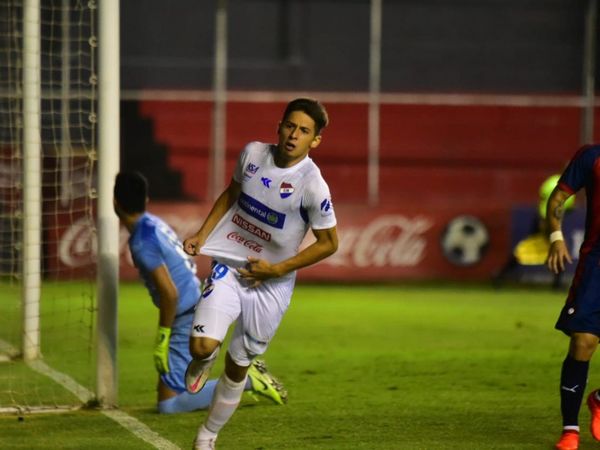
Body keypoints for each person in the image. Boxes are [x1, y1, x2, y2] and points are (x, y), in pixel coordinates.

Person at [182, 98, 339, 449]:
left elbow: (329, 243)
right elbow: (231, 194)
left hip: (272, 285)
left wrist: (277, 269)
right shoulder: (252, 154)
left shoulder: (313, 186)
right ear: (279, 127)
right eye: (290, 126)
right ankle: (204, 358)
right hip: (231, 263)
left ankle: (207, 437)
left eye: (304, 131)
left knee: (238, 366)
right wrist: (202, 235)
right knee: (202, 345)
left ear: (315, 141)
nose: (293, 135)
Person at [113, 171, 288, 414]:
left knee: (169, 405)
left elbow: (169, 293)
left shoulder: (141, 243)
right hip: (191, 302)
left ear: (115, 203)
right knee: (168, 392)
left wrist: (162, 338)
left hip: (183, 313)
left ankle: (248, 380)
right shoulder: (153, 224)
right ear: (146, 200)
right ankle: (245, 378)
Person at [546, 145, 600, 450]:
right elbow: (557, 198)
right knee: (583, 341)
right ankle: (570, 431)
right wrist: (555, 237)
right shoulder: (592, 158)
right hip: (598, 264)